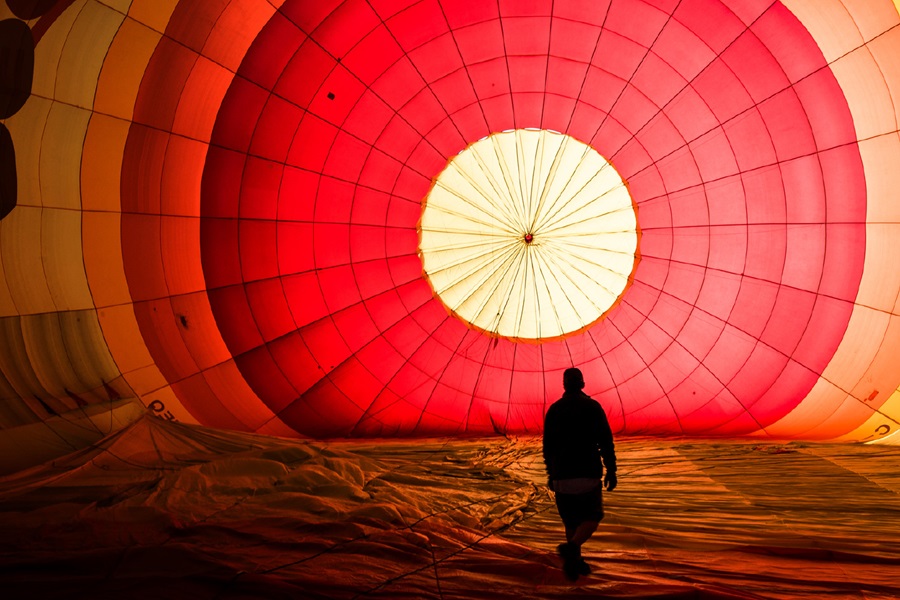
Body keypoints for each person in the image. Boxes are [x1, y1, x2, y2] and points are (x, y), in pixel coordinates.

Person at [542, 367, 617, 581]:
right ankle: (573, 548)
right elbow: (605, 441)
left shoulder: (554, 410)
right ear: (583, 384)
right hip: (587, 473)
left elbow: (547, 446)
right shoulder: (592, 407)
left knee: (570, 522)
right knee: (592, 518)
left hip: (562, 476)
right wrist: (611, 469)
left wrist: (551, 474)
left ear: (564, 385)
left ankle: (574, 561)